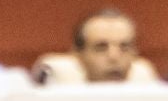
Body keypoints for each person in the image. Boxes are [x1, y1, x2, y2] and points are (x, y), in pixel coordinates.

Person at [32, 8, 160, 85]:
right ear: (78, 54)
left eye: (124, 47)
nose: (114, 57)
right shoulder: (56, 93)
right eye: (101, 47)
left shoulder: (147, 87)